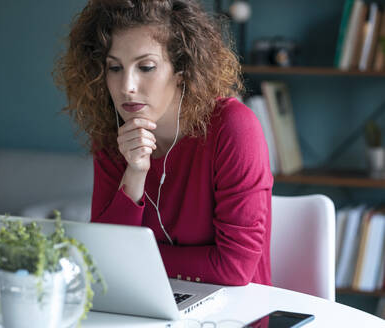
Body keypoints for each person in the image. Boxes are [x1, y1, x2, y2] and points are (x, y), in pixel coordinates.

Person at [54, 0, 273, 286]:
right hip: (144, 307)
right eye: (115, 68)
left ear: (181, 69)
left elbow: (234, 268)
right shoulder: (113, 136)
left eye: (145, 67)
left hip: (233, 313)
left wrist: (133, 259)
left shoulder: (233, 127)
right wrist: (134, 173)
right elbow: (105, 261)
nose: (127, 86)